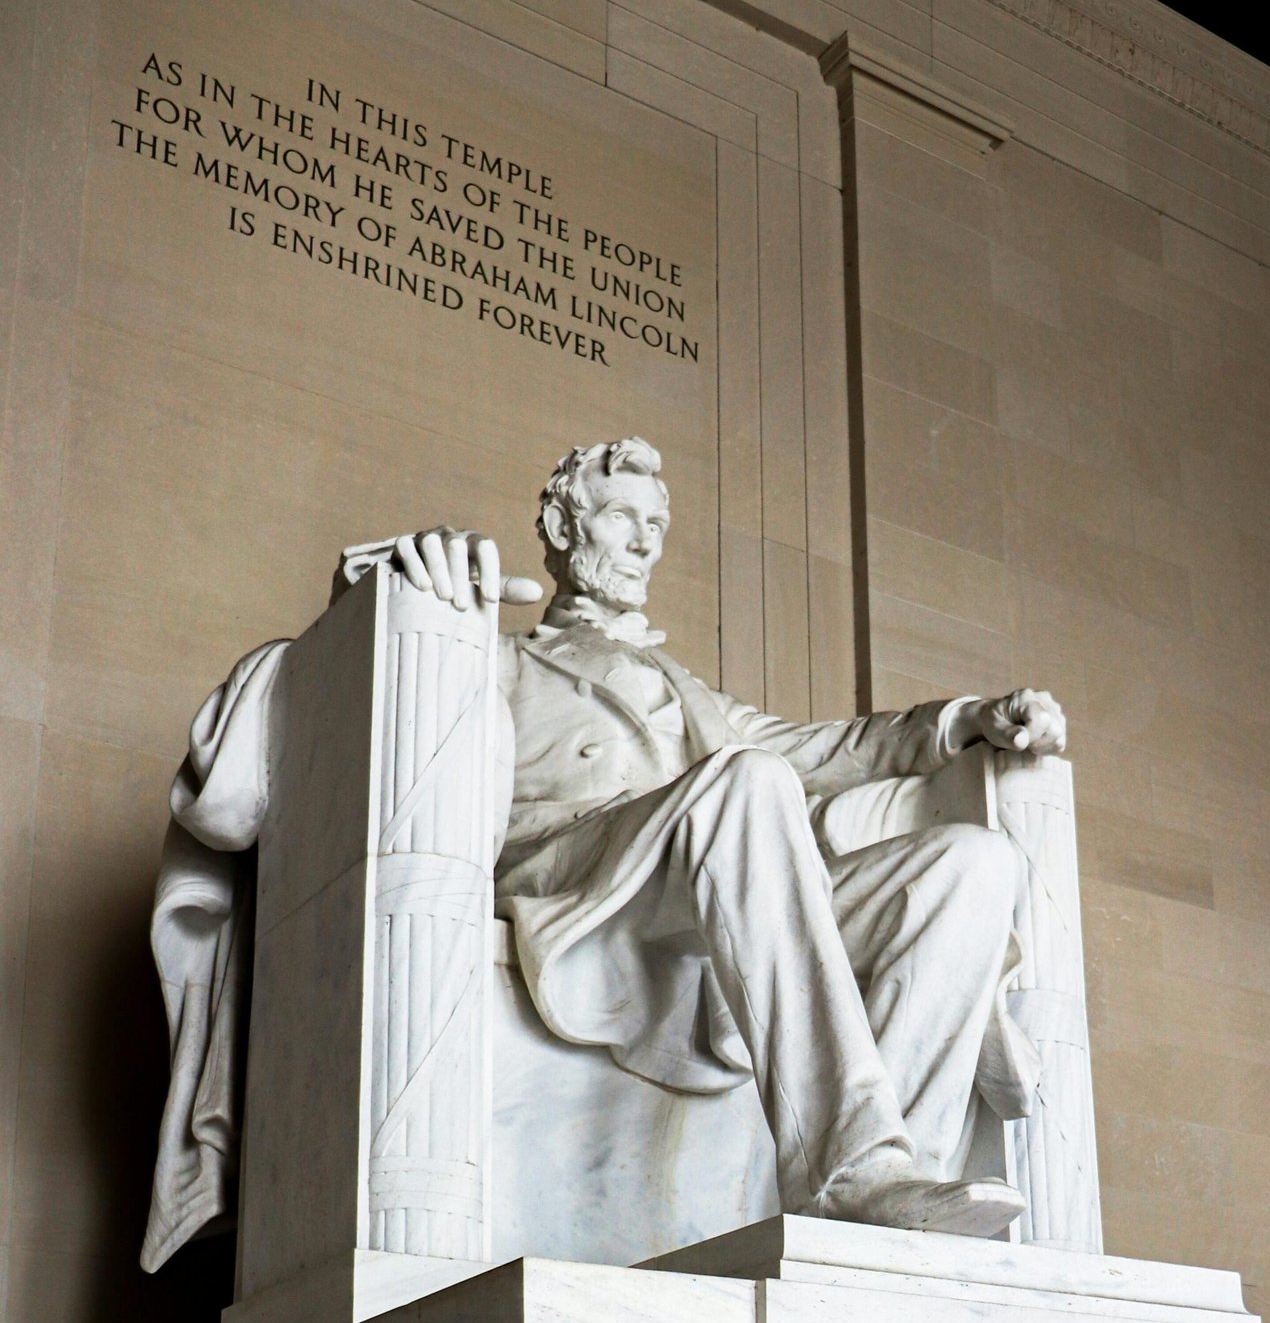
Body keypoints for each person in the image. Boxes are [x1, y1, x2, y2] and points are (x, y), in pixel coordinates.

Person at [363, 436, 1069, 1239]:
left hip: (707, 870)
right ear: (563, 530)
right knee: (750, 779)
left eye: (655, 525)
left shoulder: (692, 696)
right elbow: (362, 677)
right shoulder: (494, 657)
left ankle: (897, 1199)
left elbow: (834, 750)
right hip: (578, 873)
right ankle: (851, 1166)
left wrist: (968, 721)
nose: (643, 543)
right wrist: (409, 579)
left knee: (973, 864)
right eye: (621, 517)